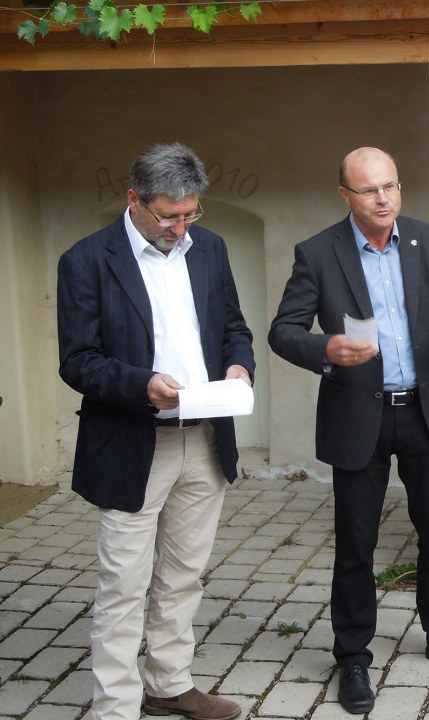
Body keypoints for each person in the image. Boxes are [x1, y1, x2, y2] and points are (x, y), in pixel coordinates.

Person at [268, 147, 429, 715]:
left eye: (391, 186)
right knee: (356, 545)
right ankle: (352, 656)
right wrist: (325, 347)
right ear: (345, 194)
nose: (383, 199)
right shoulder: (319, 253)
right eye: (369, 190)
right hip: (357, 415)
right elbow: (282, 331)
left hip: (425, 411)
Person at [57, 143, 254, 720]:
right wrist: (143, 384)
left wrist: (238, 365)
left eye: (190, 213)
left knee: (184, 574)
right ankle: (115, 706)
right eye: (168, 215)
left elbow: (234, 327)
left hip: (206, 437)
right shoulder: (87, 260)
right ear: (133, 200)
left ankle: (169, 683)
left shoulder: (210, 249)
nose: (179, 226)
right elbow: (78, 362)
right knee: (123, 584)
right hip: (134, 442)